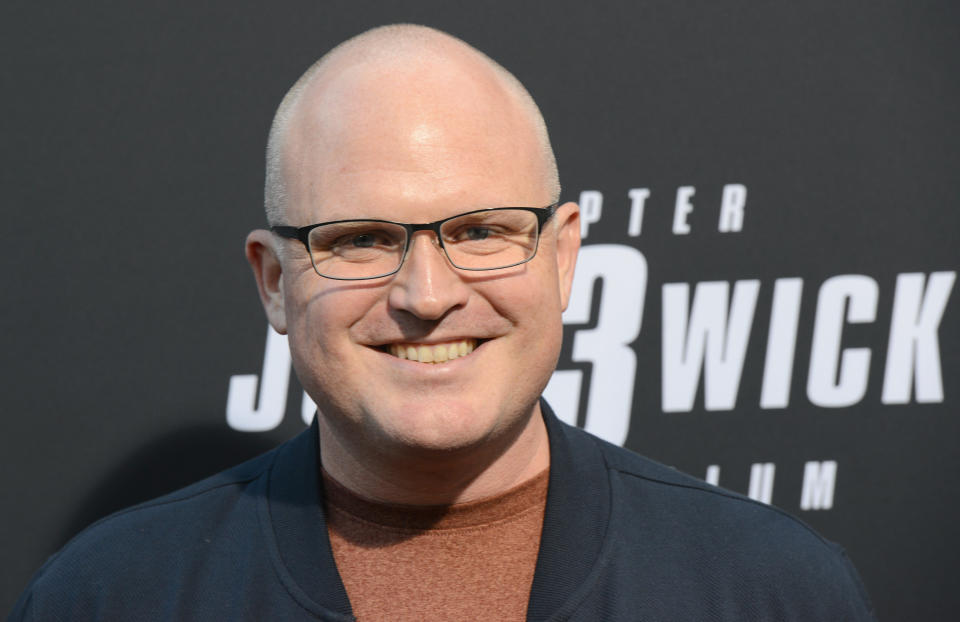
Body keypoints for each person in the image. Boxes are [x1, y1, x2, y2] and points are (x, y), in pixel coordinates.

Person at [9, 24, 876, 621]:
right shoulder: (109, 596)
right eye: (359, 239)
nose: (427, 294)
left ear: (564, 257)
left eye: (481, 231)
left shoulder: (769, 590)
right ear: (273, 282)